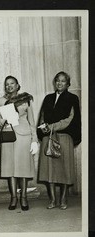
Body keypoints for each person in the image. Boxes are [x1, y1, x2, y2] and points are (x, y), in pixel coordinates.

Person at [0, 76, 38, 211]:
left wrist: (34, 140)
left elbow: (32, 121)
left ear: (18, 85)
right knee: (10, 169)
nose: (9, 86)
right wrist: (4, 120)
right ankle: (13, 197)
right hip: (8, 136)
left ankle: (24, 197)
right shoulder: (0, 101)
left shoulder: (25, 99)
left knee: (23, 168)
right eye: (7, 84)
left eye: (12, 83)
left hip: (24, 137)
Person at [37, 71, 81, 210]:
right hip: (48, 138)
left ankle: (63, 199)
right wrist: (43, 128)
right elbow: (43, 116)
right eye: (57, 80)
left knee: (64, 169)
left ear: (68, 84)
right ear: (54, 82)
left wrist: (52, 127)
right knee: (49, 170)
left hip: (64, 137)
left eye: (63, 81)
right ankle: (53, 200)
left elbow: (70, 119)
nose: (59, 83)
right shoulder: (48, 98)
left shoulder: (72, 98)